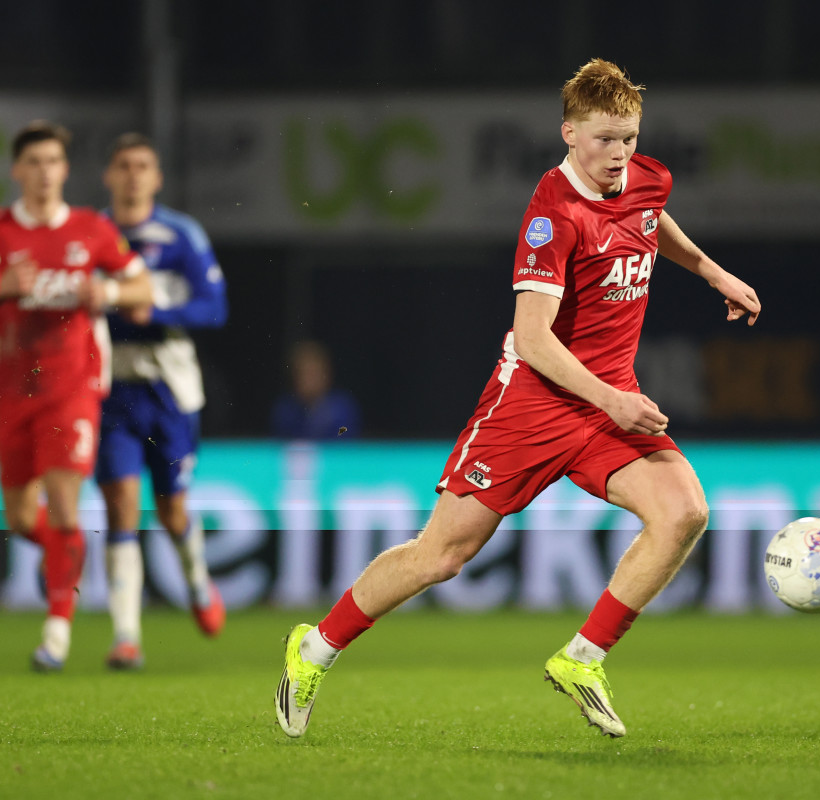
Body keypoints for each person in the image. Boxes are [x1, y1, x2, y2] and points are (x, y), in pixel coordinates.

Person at [274, 59, 760, 738]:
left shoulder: (647, 178)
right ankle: (316, 647)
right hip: (532, 405)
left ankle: (582, 658)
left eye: (628, 138)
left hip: (606, 404)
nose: (618, 154)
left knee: (684, 512)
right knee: (441, 556)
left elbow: (650, 220)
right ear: (569, 133)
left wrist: (712, 272)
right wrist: (613, 400)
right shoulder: (552, 215)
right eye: (603, 139)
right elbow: (532, 340)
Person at [0, 121, 153, 671]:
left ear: (64, 169)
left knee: (65, 505)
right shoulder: (3, 233)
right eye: (34, 162)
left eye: (53, 161)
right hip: (12, 392)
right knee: (21, 518)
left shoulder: (90, 229)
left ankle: (56, 634)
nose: (44, 172)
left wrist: (106, 290)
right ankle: (68, 551)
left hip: (72, 390)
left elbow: (143, 287)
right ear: (17, 171)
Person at [95, 133, 230, 670]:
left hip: (170, 390)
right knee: (121, 506)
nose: (132, 175)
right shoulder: (93, 235)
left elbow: (214, 308)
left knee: (173, 510)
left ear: (157, 178)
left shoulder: (180, 235)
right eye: (123, 165)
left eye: (142, 166)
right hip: (112, 389)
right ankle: (126, 636)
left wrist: (156, 314)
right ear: (108, 175)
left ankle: (197, 582)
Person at [269, 339, 361, 439]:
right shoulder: (284, 410)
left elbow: (345, 434)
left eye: (313, 373)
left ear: (326, 375)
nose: (308, 380)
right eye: (303, 374)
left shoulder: (343, 408)